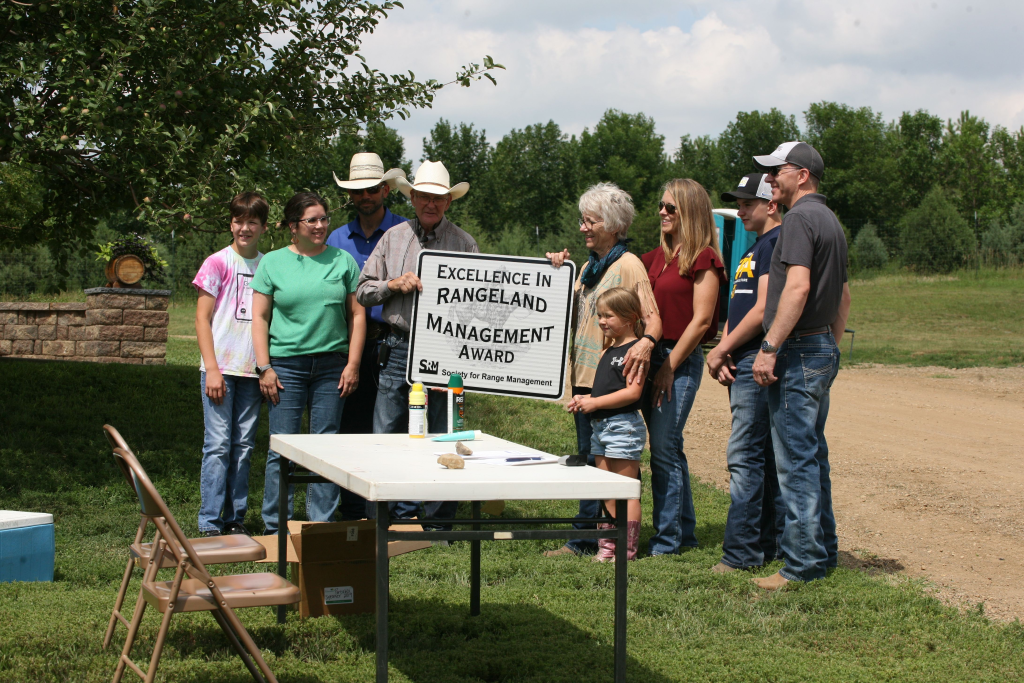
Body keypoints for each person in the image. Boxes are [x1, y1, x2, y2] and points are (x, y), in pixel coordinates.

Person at [749, 141, 851, 590]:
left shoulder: (797, 220)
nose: (770, 179)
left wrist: (771, 346)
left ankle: (801, 564)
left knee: (795, 462)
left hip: (796, 352)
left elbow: (796, 288)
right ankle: (823, 554)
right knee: (812, 455)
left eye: (777, 171)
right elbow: (843, 296)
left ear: (802, 174)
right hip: (819, 347)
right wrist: (829, 344)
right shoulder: (831, 222)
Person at [543, 182, 662, 558]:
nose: (583, 228)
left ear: (612, 226)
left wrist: (647, 343)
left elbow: (652, 318)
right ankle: (592, 539)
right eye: (583, 221)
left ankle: (601, 541)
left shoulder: (628, 265)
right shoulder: (590, 270)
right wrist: (560, 271)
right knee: (590, 460)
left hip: (609, 384)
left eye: (590, 221)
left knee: (615, 467)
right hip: (584, 378)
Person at [356, 160, 477, 528]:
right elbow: (363, 292)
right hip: (398, 346)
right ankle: (384, 514)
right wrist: (392, 285)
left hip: (445, 350)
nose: (431, 204)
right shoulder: (392, 239)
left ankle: (439, 519)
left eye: (439, 198)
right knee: (387, 433)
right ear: (412, 197)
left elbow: (477, 305)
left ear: (448, 203)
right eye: (424, 196)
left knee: (444, 432)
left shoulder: (465, 243)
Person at [252, 192, 366, 535]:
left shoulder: (343, 261)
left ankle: (321, 524)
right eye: (311, 220)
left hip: (333, 366)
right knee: (281, 447)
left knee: (326, 446)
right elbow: (259, 318)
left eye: (323, 218)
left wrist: (353, 363)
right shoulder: (272, 263)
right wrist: (264, 367)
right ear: (293, 226)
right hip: (285, 367)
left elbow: (357, 316)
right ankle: (276, 526)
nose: (320, 226)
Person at [640, 179, 726, 557]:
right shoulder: (652, 259)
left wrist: (668, 367)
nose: (662, 212)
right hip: (649, 356)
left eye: (670, 208)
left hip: (678, 359)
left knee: (663, 448)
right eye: (661, 206)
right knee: (667, 448)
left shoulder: (704, 257)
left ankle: (667, 541)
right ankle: (683, 533)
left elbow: (703, 320)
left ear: (689, 212)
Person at [705, 174, 784, 572]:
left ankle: (741, 554)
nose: (740, 210)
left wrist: (722, 349)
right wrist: (729, 348)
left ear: (772, 204)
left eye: (748, 203)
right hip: (745, 357)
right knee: (760, 455)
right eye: (738, 202)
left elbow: (763, 309)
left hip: (755, 358)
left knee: (745, 456)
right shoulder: (758, 246)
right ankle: (769, 545)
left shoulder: (775, 244)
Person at [326, 153, 407, 519]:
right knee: (353, 425)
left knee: (398, 425)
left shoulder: (405, 231)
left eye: (372, 189)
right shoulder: (336, 238)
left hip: (396, 340)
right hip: (350, 342)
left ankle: (399, 505)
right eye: (358, 191)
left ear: (385, 190)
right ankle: (355, 504)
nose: (365, 197)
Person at [193, 192, 268, 537]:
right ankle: (209, 521)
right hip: (220, 369)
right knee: (218, 444)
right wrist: (211, 367)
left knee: (244, 447)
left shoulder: (268, 265)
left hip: (252, 372)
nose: (245, 227)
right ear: (231, 224)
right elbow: (201, 318)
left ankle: (234, 518)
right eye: (239, 220)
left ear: (264, 227)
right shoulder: (217, 262)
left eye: (252, 221)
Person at [567, 287, 649, 562]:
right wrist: (585, 399)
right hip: (601, 429)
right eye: (599, 315)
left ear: (629, 317)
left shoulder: (634, 351)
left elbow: (632, 393)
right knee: (605, 490)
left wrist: (596, 403)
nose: (602, 321)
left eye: (608, 315)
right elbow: (604, 393)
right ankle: (607, 548)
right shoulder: (608, 350)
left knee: (626, 491)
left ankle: (626, 551)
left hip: (622, 427)